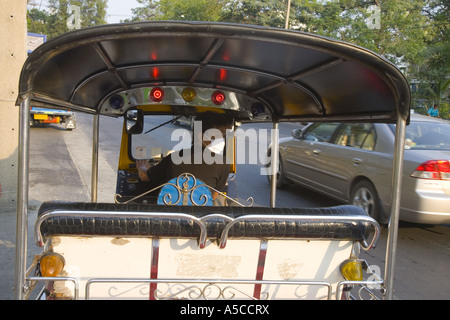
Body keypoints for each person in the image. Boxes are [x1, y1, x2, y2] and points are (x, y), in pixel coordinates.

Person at [136, 112, 234, 203]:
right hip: (202, 218)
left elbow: (145, 177)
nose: (219, 140)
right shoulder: (224, 163)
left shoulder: (173, 158)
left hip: (172, 216)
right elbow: (212, 196)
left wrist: (142, 167)